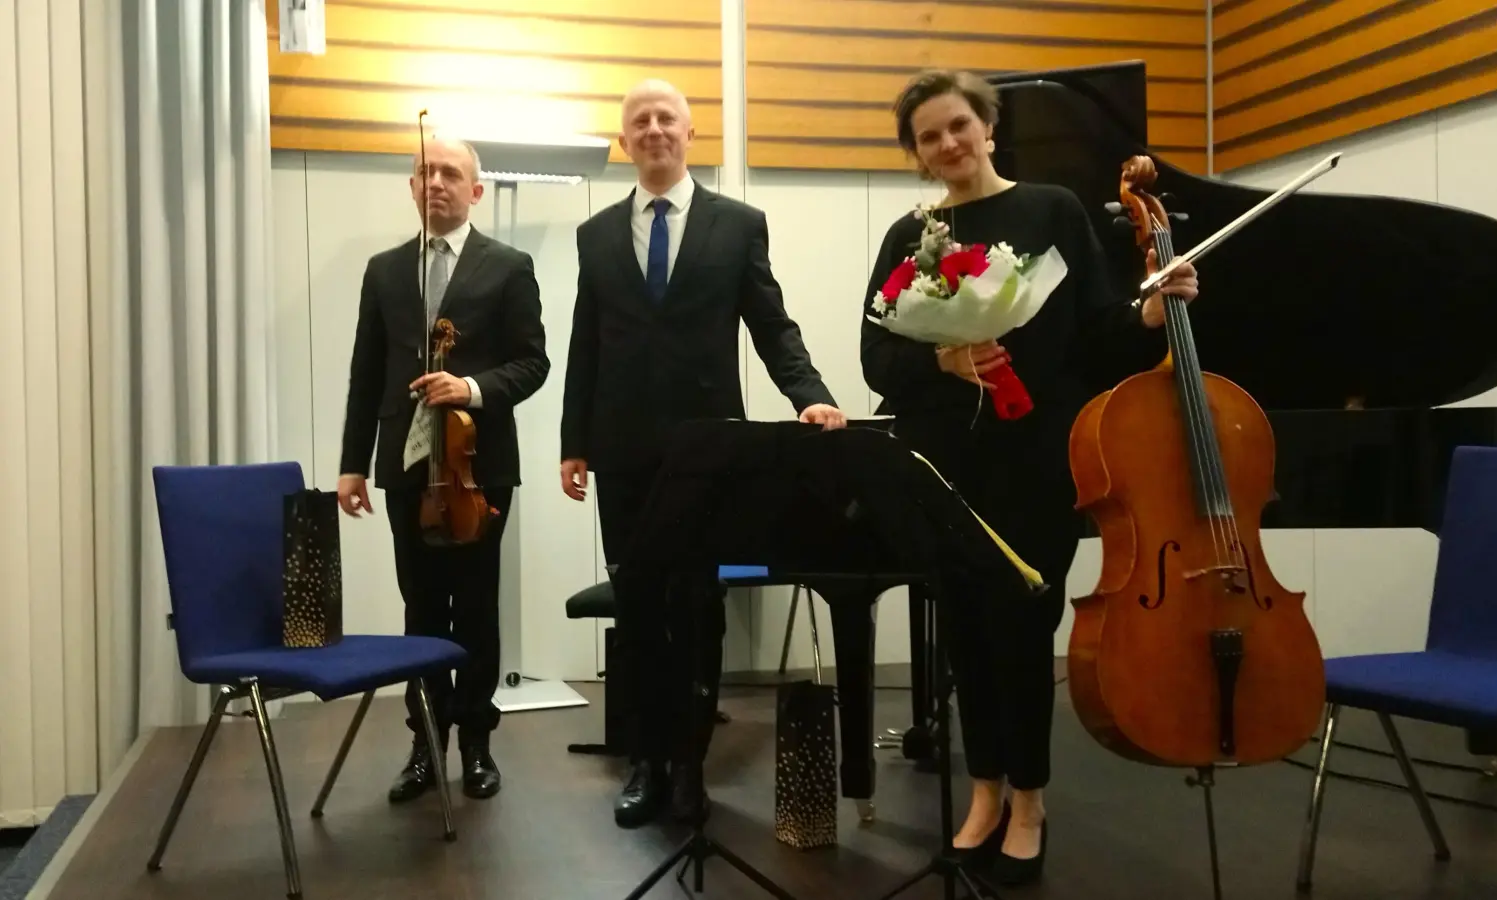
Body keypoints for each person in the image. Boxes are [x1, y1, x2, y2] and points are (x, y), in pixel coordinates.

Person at [860, 70, 1199, 885]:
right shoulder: (909, 233)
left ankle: (1030, 800)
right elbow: (878, 360)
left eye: (958, 126)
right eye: (929, 136)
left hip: (1039, 461)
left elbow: (1097, 334)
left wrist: (1150, 315)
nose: (948, 144)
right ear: (915, 152)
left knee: (1021, 634)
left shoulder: (1050, 209)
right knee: (967, 639)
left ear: (988, 125)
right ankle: (983, 792)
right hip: (946, 463)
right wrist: (946, 356)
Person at [560, 79, 848, 828]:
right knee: (640, 609)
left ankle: (689, 766)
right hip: (622, 454)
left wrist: (807, 393)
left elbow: (772, 325)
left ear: (690, 133)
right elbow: (586, 343)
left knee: (698, 612)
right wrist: (573, 444)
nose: (653, 129)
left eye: (667, 119)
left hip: (709, 455)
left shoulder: (738, 224)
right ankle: (647, 762)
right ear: (625, 142)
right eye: (639, 121)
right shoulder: (594, 234)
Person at [337, 136, 550, 804]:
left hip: (478, 467)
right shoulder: (383, 270)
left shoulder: (509, 266)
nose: (437, 182)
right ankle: (425, 745)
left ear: (475, 190)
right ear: (411, 186)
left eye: (451, 173)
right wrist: (351, 465)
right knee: (422, 610)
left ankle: (478, 745)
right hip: (405, 466)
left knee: (477, 608)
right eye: (426, 172)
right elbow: (365, 373)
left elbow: (533, 362)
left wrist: (472, 388)